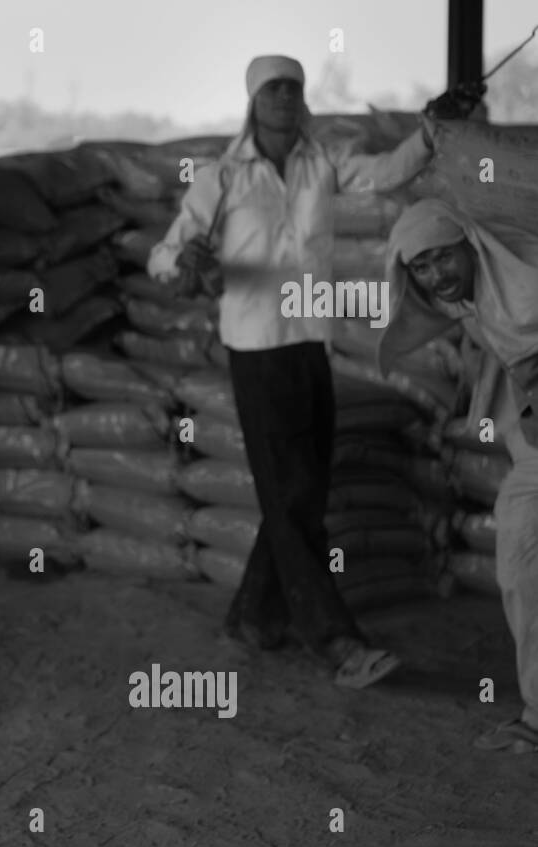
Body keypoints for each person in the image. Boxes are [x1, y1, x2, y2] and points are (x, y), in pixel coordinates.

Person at [148, 55, 477, 688]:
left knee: (300, 491)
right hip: (257, 350)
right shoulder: (223, 177)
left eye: (294, 88)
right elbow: (168, 251)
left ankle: (250, 617)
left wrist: (431, 130)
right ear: (252, 99)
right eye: (273, 88)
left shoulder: (320, 163)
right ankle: (335, 640)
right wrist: (182, 265)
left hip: (309, 344)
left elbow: (386, 174)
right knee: (293, 496)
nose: (285, 98)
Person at [380, 197, 538, 752]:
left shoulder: (526, 282)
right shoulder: (471, 300)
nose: (434, 275)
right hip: (532, 449)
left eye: (442, 258)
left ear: (470, 245)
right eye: (420, 267)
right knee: (519, 563)